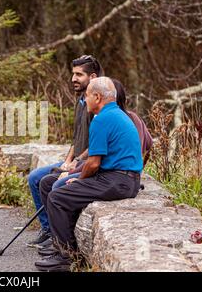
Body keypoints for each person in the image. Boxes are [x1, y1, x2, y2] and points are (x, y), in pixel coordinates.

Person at [35, 77, 143, 272]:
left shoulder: (102, 119)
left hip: (117, 180)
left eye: (86, 96)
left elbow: (93, 163)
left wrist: (79, 179)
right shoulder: (117, 114)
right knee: (58, 188)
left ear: (97, 97)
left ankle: (64, 257)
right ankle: (67, 249)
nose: (85, 100)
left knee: (57, 197)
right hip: (124, 179)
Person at [25, 55, 103, 248]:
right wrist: (68, 160)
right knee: (35, 177)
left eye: (79, 75)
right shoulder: (81, 101)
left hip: (87, 162)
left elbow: (97, 145)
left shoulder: (99, 105)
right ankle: (48, 230)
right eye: (73, 74)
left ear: (92, 77)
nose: (73, 79)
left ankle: (59, 238)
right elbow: (76, 138)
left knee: (51, 183)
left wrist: (77, 161)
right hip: (76, 160)